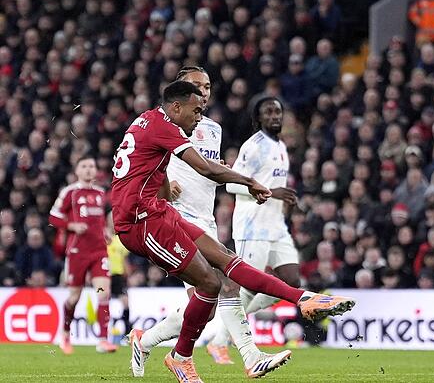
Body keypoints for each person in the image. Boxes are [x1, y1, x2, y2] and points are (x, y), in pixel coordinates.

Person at [112, 80, 354, 383]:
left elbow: (156, 166)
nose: (198, 116)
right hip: (140, 223)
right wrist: (249, 181)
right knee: (211, 285)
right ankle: (181, 357)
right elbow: (207, 169)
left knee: (227, 263)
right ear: (176, 106)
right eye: (195, 109)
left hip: (159, 211)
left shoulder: (149, 120)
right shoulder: (166, 128)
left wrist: (162, 192)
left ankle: (303, 298)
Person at [131, 67, 289, 379]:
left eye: (207, 86)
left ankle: (144, 340)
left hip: (206, 215)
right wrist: (166, 182)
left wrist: (220, 171)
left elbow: (204, 170)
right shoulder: (167, 125)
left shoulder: (213, 129)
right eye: (196, 86)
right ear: (180, 91)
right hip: (176, 216)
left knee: (207, 302)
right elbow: (153, 160)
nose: (204, 91)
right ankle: (251, 355)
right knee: (225, 286)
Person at [222, 95, 302, 318]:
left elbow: (276, 188)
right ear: (258, 118)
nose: (275, 116)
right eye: (268, 112)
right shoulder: (253, 147)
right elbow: (230, 184)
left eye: (277, 112)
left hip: (276, 226)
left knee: (292, 281)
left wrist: (286, 201)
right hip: (253, 227)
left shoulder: (281, 147)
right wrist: (271, 191)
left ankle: (225, 322)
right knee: (249, 286)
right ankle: (219, 336)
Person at [49, 156, 118, 355]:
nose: (88, 170)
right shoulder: (70, 192)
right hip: (77, 252)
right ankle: (65, 334)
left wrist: (105, 230)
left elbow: (101, 219)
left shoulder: (100, 193)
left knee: (103, 293)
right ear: (77, 171)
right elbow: (53, 216)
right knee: (74, 297)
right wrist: (71, 225)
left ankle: (103, 340)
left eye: (91, 166)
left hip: (98, 252)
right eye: (84, 166)